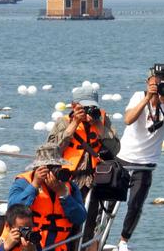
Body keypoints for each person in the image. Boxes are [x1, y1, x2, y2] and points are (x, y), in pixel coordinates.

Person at [115, 67, 164, 251]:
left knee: (135, 204)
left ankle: (123, 241)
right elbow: (128, 120)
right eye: (155, 83)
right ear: (147, 83)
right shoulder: (138, 96)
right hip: (123, 158)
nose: (159, 87)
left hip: (145, 164)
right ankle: (96, 236)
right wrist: (147, 98)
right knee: (107, 200)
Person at [8, 143, 87, 251]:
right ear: (38, 168)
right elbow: (13, 210)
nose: (53, 171)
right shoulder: (23, 183)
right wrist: (35, 185)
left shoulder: (69, 187)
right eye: (48, 167)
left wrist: (62, 194)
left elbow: (80, 217)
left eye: (56, 166)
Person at [47, 86, 120, 242]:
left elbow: (115, 149)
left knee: (90, 222)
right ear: (74, 106)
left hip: (96, 179)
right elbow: (53, 152)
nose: (88, 111)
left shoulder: (102, 120)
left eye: (91, 107)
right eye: (84, 107)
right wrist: (74, 123)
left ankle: (86, 250)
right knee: (68, 221)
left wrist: (99, 126)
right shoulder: (63, 122)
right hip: (70, 180)